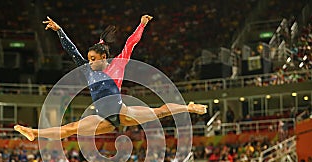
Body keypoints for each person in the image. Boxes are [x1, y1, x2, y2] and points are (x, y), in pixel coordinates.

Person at [14, 15, 207, 141]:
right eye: (88, 59)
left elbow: (130, 43)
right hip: (102, 119)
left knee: (161, 111)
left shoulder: (118, 65)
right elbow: (71, 51)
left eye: (92, 59)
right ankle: (34, 133)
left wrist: (141, 24)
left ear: (103, 57)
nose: (88, 62)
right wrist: (59, 31)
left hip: (123, 112)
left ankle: (188, 107)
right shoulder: (88, 70)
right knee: (70, 128)